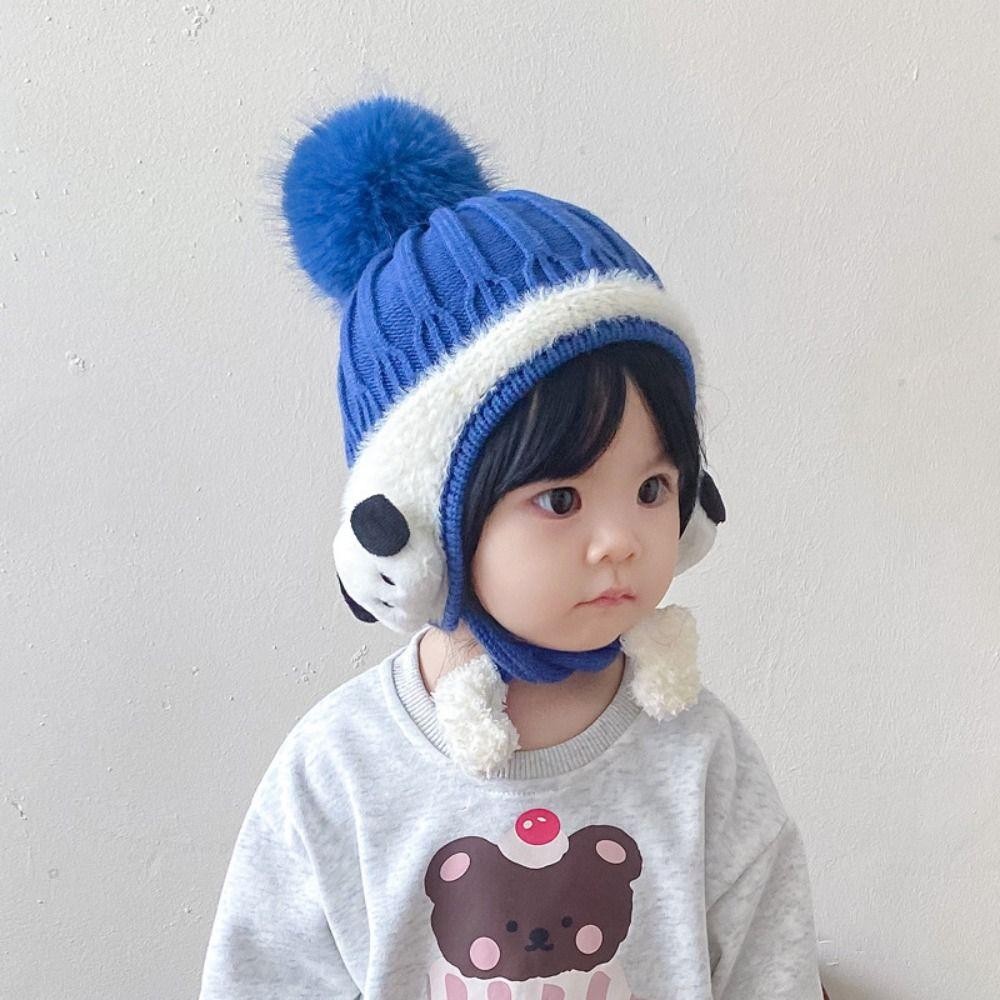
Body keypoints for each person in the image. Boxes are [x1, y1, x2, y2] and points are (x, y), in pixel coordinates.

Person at [198, 93, 827, 1000]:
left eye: (654, 490)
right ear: (417, 534)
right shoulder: (339, 773)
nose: (620, 541)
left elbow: (774, 973)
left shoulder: (701, 759)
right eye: (561, 498)